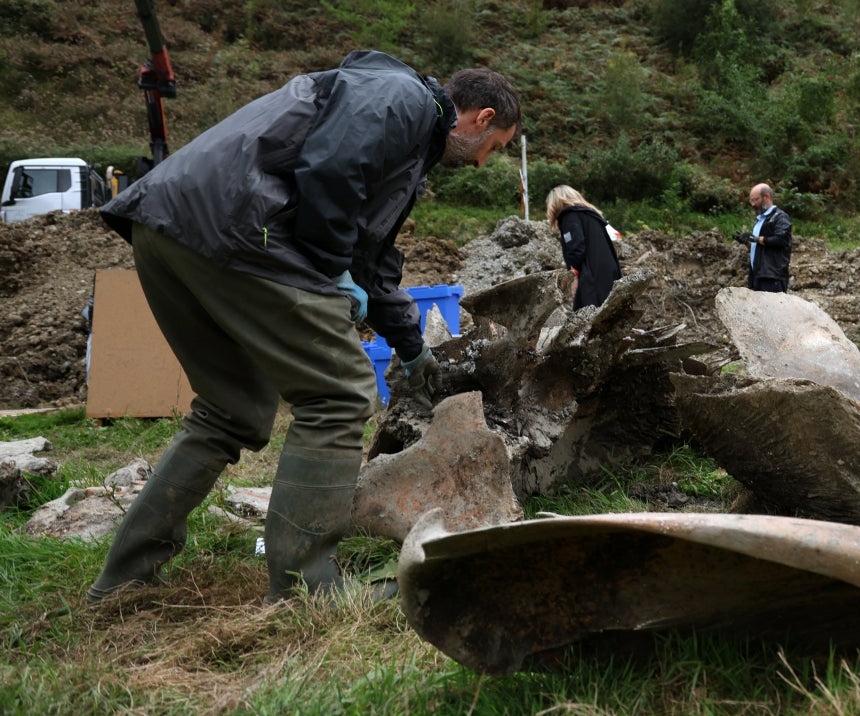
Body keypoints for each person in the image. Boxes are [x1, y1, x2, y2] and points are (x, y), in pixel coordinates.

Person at [87, 49, 521, 605]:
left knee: (230, 408)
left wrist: (412, 348)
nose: (486, 161)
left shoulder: (407, 138)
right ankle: (304, 587)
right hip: (237, 229)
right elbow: (332, 170)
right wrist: (332, 262)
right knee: (338, 396)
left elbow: (371, 258)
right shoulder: (403, 97)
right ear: (482, 118)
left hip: (172, 226)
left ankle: (125, 580)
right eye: (496, 147)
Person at [545, 184, 622, 309]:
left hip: (591, 276)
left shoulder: (569, 217)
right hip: (608, 272)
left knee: (586, 317)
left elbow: (576, 249)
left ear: (555, 202)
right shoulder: (591, 215)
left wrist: (574, 275)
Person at [734, 182, 792, 292]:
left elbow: (780, 240)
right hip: (757, 276)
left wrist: (755, 238)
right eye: (751, 201)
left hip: (772, 277)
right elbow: (761, 248)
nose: (753, 204)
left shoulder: (780, 217)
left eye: (755, 200)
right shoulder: (760, 221)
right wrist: (747, 242)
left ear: (766, 197)